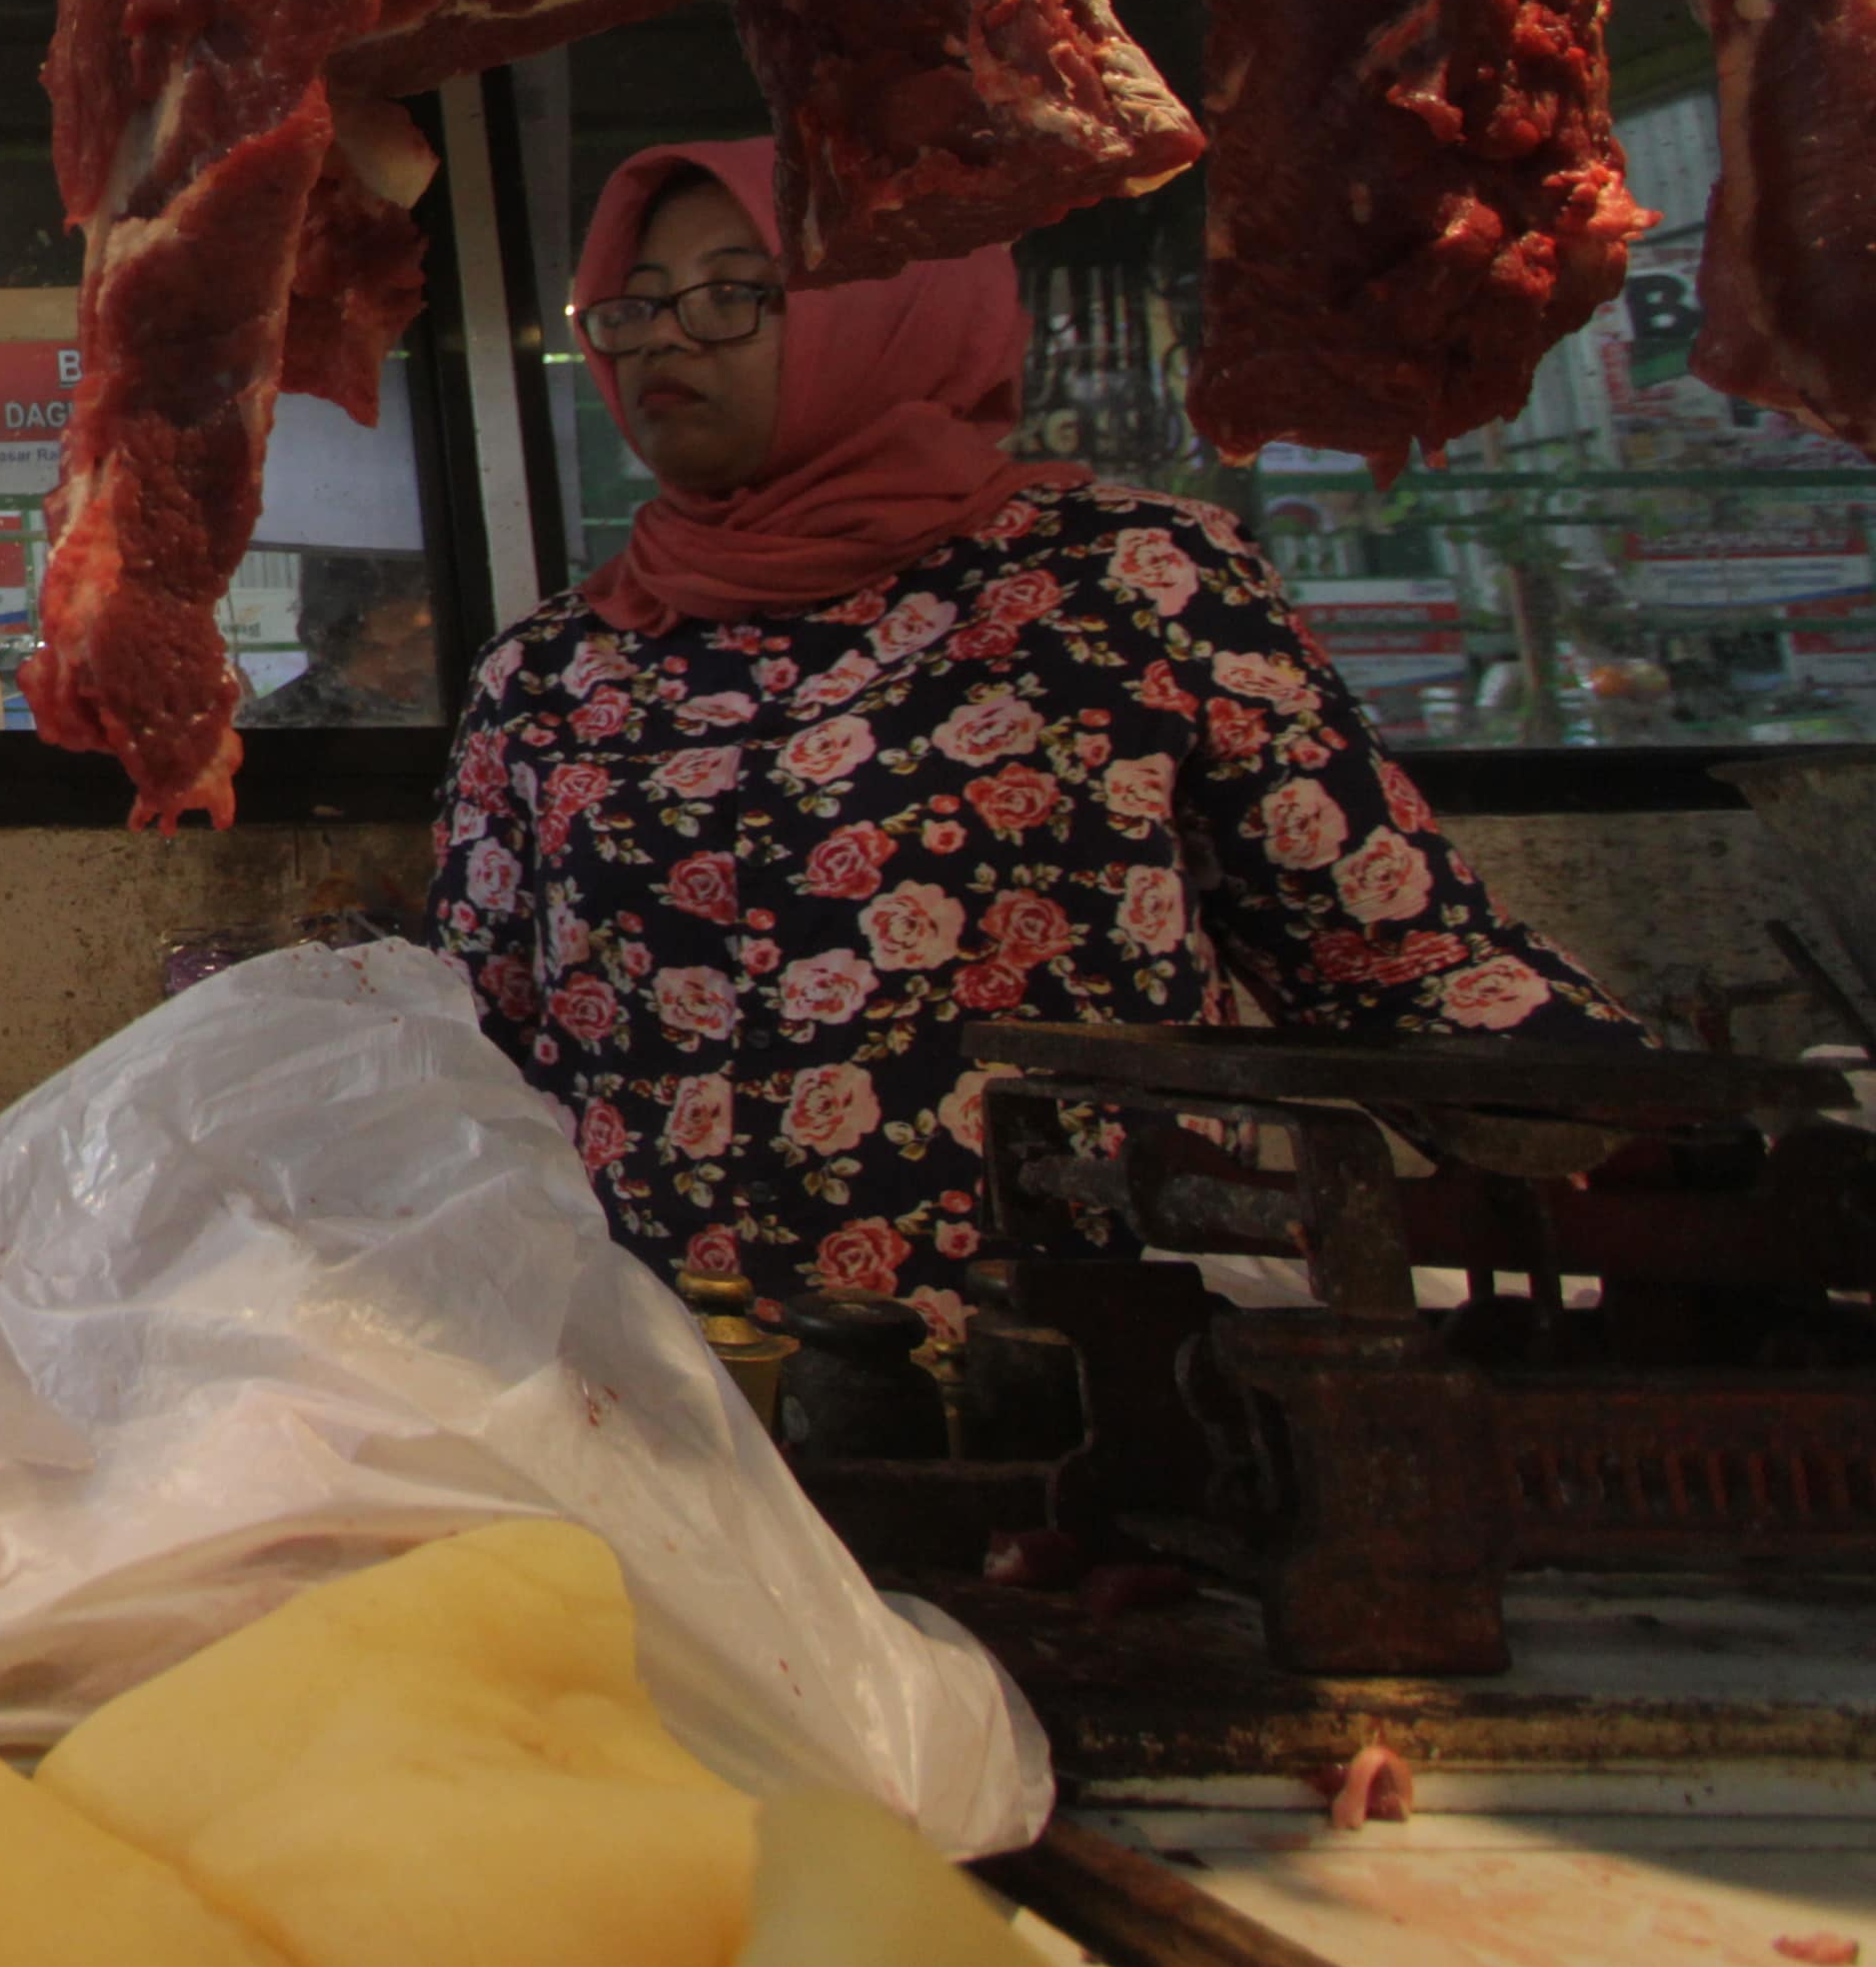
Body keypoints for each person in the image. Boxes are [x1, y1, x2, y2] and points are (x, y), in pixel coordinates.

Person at [432, 138, 1633, 1327]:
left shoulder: (1127, 585)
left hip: (1094, 1360)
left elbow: (1386, 946)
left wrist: (1641, 1123)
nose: (665, 340)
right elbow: (475, 1043)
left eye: (735, 295)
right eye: (632, 308)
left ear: (891, 303)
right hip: (670, 1371)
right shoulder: (553, 666)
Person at [253, 551, 442, 726]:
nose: (402, 664)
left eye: (417, 640)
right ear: (336, 652)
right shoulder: (284, 720)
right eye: (373, 648)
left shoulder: (460, 700)